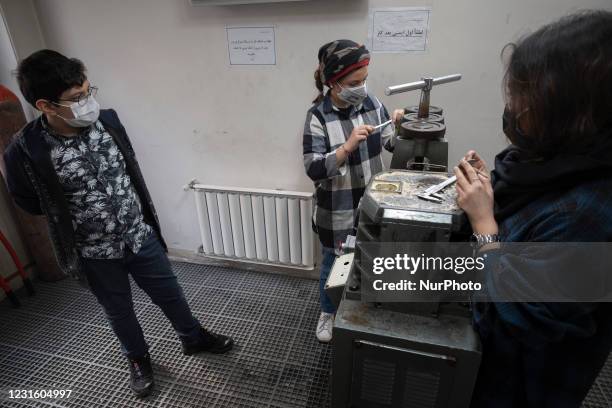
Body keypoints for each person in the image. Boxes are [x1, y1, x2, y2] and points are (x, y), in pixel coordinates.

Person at [3, 50, 234, 398]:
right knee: (118, 309)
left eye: (88, 91)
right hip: (94, 250)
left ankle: (193, 337)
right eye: (76, 98)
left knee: (170, 293)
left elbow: (129, 168)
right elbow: (27, 200)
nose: (87, 103)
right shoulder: (24, 149)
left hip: (138, 234)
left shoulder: (108, 120)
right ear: (46, 105)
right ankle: (138, 359)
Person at [453, 10, 612, 407]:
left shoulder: (589, 211)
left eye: (526, 95)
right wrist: (489, 189)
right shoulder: (547, 161)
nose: (514, 106)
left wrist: (484, 223)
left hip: (524, 383)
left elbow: (523, 320)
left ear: (577, 108)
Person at [303, 40, 404, 342]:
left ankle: (362, 309)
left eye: (363, 80)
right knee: (336, 266)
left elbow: (391, 145)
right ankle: (327, 313)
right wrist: (346, 148)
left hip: (372, 207)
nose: (360, 87)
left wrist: (402, 127)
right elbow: (313, 168)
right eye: (352, 83)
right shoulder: (318, 116)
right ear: (333, 82)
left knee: (368, 260)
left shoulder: (372, 104)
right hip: (338, 212)